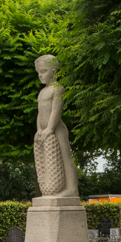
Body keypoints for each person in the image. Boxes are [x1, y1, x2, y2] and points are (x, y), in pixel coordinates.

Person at [34, 55, 78, 197]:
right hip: (44, 131)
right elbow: (40, 113)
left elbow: (56, 111)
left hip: (57, 129)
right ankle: (50, 188)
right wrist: (39, 129)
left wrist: (50, 128)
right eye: (38, 72)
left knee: (66, 157)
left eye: (43, 71)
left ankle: (72, 189)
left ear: (53, 71)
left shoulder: (58, 89)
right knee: (47, 160)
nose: (40, 75)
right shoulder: (41, 92)